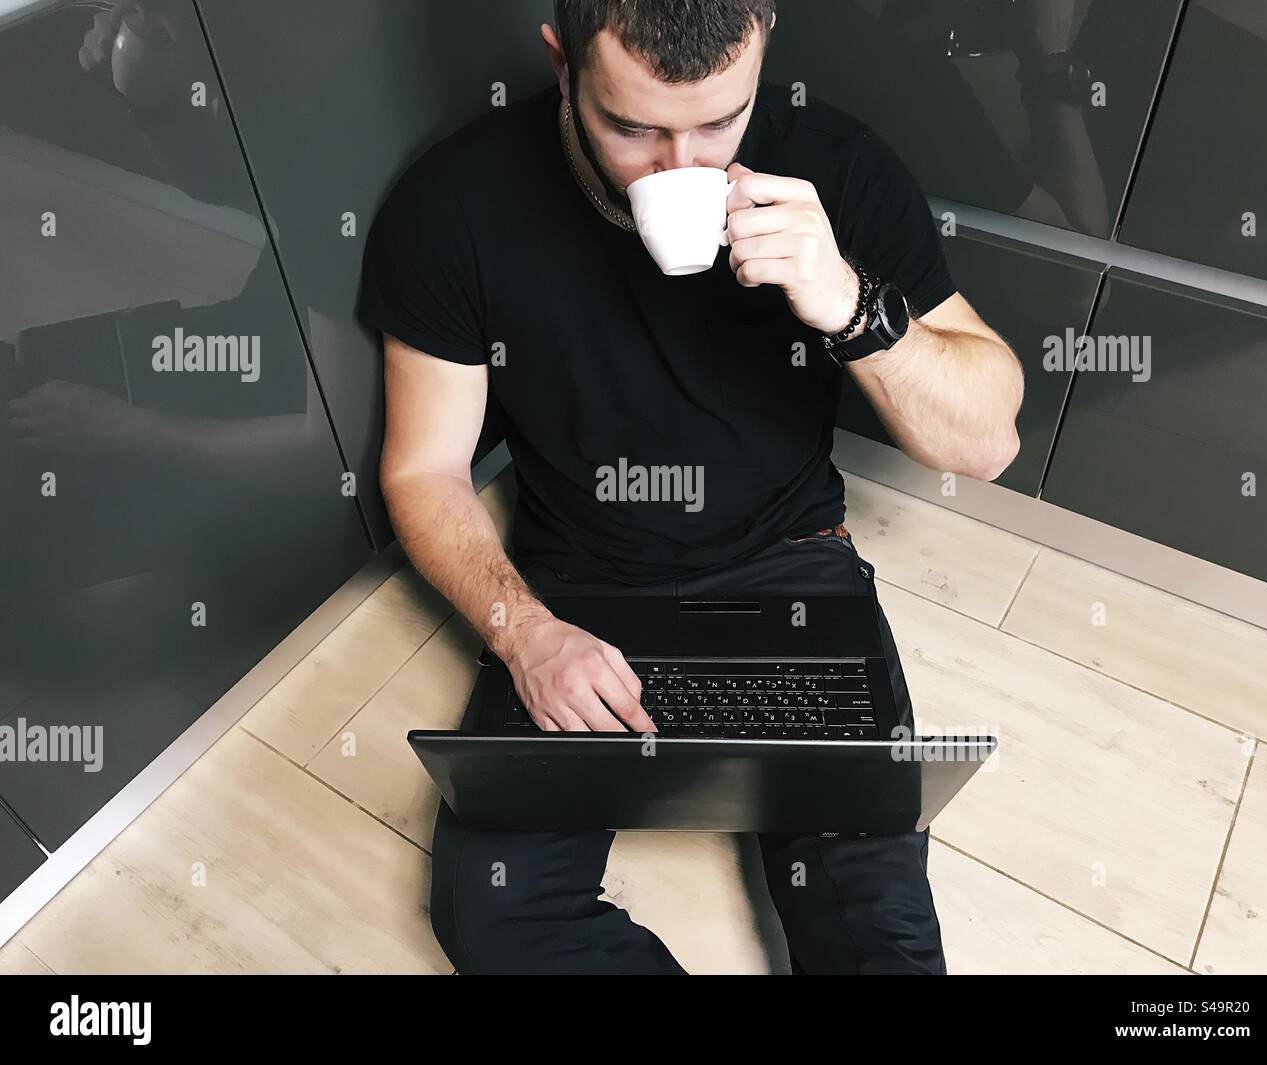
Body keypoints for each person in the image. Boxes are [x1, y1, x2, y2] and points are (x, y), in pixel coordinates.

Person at [358, 0, 1023, 974]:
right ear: (562, 62)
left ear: (761, 57)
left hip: (794, 570)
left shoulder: (835, 168)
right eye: (632, 127)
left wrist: (846, 302)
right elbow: (423, 468)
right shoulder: (455, 204)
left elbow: (986, 441)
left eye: (720, 122)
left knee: (876, 940)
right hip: (575, 591)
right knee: (494, 918)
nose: (683, 170)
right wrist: (523, 633)